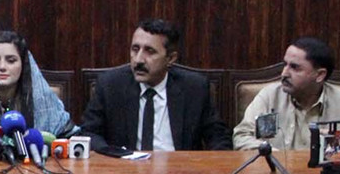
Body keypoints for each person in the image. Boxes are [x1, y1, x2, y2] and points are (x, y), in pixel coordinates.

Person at [81, 19, 232, 152]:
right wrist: (113, 155)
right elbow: (89, 133)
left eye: (150, 51)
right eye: (135, 49)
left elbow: (218, 137)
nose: (139, 60)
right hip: (125, 170)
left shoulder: (194, 88)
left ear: (171, 58)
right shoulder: (111, 85)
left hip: (180, 170)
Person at [233, 37, 340, 150]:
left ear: (320, 75)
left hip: (327, 173)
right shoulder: (269, 96)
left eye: (295, 67)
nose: (284, 73)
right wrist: (272, 155)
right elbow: (241, 137)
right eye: (285, 64)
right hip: (276, 172)